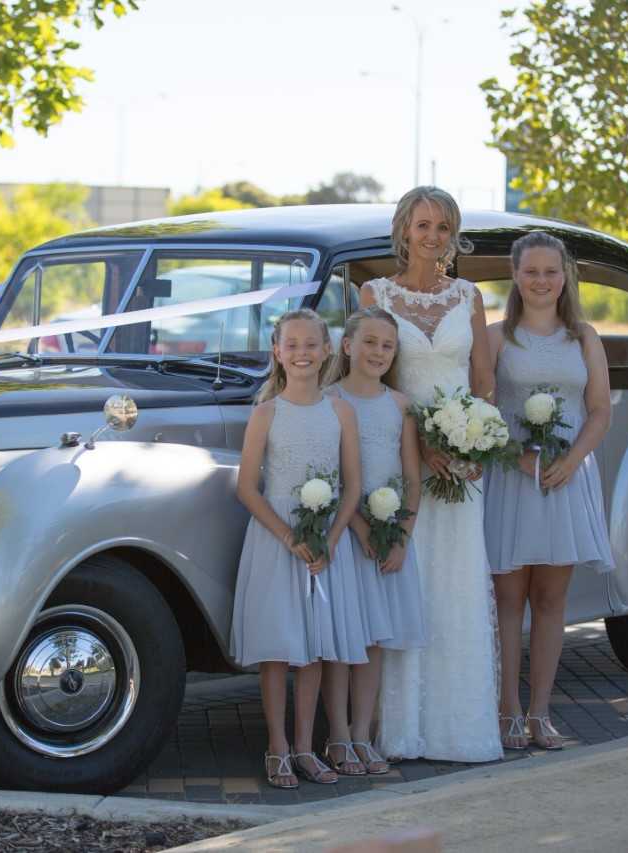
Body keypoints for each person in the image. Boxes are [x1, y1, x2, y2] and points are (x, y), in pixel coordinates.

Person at [359, 186, 503, 763]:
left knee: (455, 585)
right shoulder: (376, 293)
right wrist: (419, 440)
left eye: (443, 227)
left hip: (461, 465)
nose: (433, 237)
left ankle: (455, 729)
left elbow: (484, 380)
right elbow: (369, 373)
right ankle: (398, 730)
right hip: (396, 454)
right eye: (423, 225)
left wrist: (474, 440)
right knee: (404, 580)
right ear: (403, 230)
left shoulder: (469, 296)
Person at [484, 231, 615, 750]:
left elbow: (601, 409)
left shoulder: (585, 338)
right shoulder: (497, 338)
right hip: (512, 480)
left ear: (566, 277)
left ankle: (541, 712)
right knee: (508, 599)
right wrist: (514, 456)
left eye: (551, 271)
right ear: (515, 276)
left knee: (551, 599)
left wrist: (574, 458)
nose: (542, 280)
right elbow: (481, 412)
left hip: (564, 480)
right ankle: (507, 711)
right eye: (531, 271)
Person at [230, 307, 369, 788]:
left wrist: (329, 539)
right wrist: (290, 537)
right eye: (292, 345)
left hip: (327, 542)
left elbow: (353, 485)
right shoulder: (266, 413)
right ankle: (278, 748)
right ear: (277, 352)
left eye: (312, 344)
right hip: (277, 540)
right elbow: (248, 488)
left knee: (314, 650)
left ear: (328, 349)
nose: (302, 353)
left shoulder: (340, 410)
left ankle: (308, 748)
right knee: (279, 649)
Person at [322, 307, 428, 776]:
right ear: (347, 346)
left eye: (387, 345)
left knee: (375, 641)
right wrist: (360, 528)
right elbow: (325, 473)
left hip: (388, 538)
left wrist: (400, 537)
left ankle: (364, 733)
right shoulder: (327, 399)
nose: (378, 352)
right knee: (344, 639)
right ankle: (338, 737)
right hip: (346, 535)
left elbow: (412, 478)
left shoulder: (400, 405)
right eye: (369, 342)